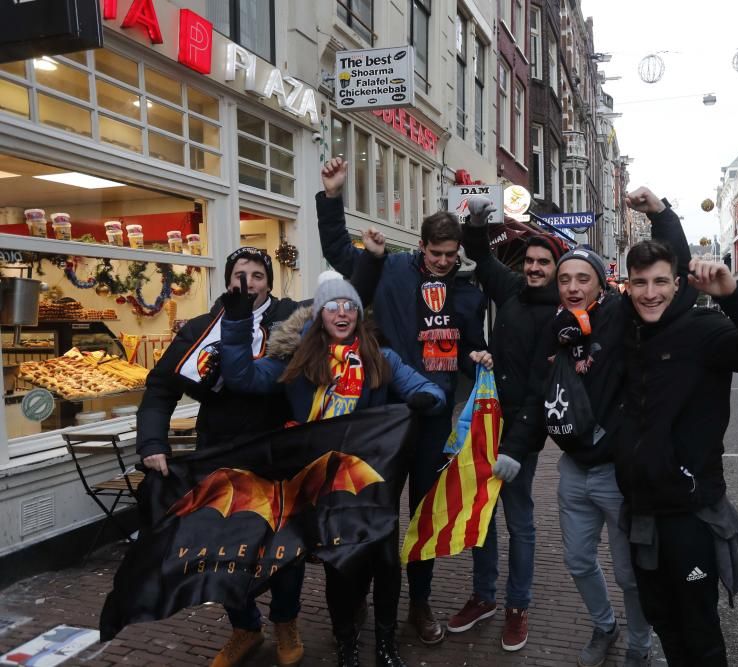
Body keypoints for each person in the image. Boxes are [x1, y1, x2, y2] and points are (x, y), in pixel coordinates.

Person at [218, 261, 454, 667]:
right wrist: (237, 321)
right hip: (321, 485)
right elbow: (241, 378)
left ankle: (385, 643)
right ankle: (346, 643)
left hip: (371, 481)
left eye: (350, 305)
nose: (342, 312)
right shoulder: (296, 362)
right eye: (333, 306)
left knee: (384, 561)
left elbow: (431, 390)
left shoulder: (381, 357)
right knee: (340, 568)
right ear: (320, 314)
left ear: (359, 315)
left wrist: (421, 400)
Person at [494, 187, 692, 667]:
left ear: (601, 283)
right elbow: (540, 393)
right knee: (579, 561)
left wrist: (661, 216)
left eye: (583, 278)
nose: (573, 287)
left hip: (617, 472)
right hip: (573, 471)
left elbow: (672, 275)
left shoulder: (624, 317)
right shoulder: (557, 328)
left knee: (628, 572)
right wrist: (515, 449)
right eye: (566, 279)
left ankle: (640, 643)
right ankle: (604, 626)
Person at [316, 159, 488, 645]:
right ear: (421, 246)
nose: (443, 261)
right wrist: (332, 198)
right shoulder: (390, 269)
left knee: (426, 514)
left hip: (435, 418)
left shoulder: (467, 291)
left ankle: (420, 602)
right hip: (386, 414)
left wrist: (482, 363)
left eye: (451, 254)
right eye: (436, 253)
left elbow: (471, 356)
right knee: (377, 508)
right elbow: (336, 251)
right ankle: (369, 595)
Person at [617, 245, 738, 666]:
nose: (649, 293)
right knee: (662, 619)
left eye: (660, 281)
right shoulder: (629, 333)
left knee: (699, 629)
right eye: (640, 283)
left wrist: (731, 295)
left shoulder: (705, 329)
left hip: (690, 515)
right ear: (627, 287)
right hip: (641, 512)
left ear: (677, 285)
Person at [136, 248, 304, 667]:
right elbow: (160, 389)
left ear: (269, 281)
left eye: (258, 276)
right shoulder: (198, 328)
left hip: (276, 452)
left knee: (283, 546)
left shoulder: (294, 322)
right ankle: (245, 626)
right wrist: (153, 443)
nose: (247, 283)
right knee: (224, 547)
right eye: (239, 275)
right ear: (227, 281)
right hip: (219, 451)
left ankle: (286, 622)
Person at [445, 196, 568, 651]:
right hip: (486, 422)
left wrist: (516, 449)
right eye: (531, 260)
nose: (535, 267)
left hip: (520, 436)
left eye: (543, 262)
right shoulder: (512, 287)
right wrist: (477, 222)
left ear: (556, 268)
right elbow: (482, 254)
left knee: (520, 521)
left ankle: (518, 605)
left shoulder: (560, 316)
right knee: (481, 515)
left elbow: (542, 390)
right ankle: (484, 596)